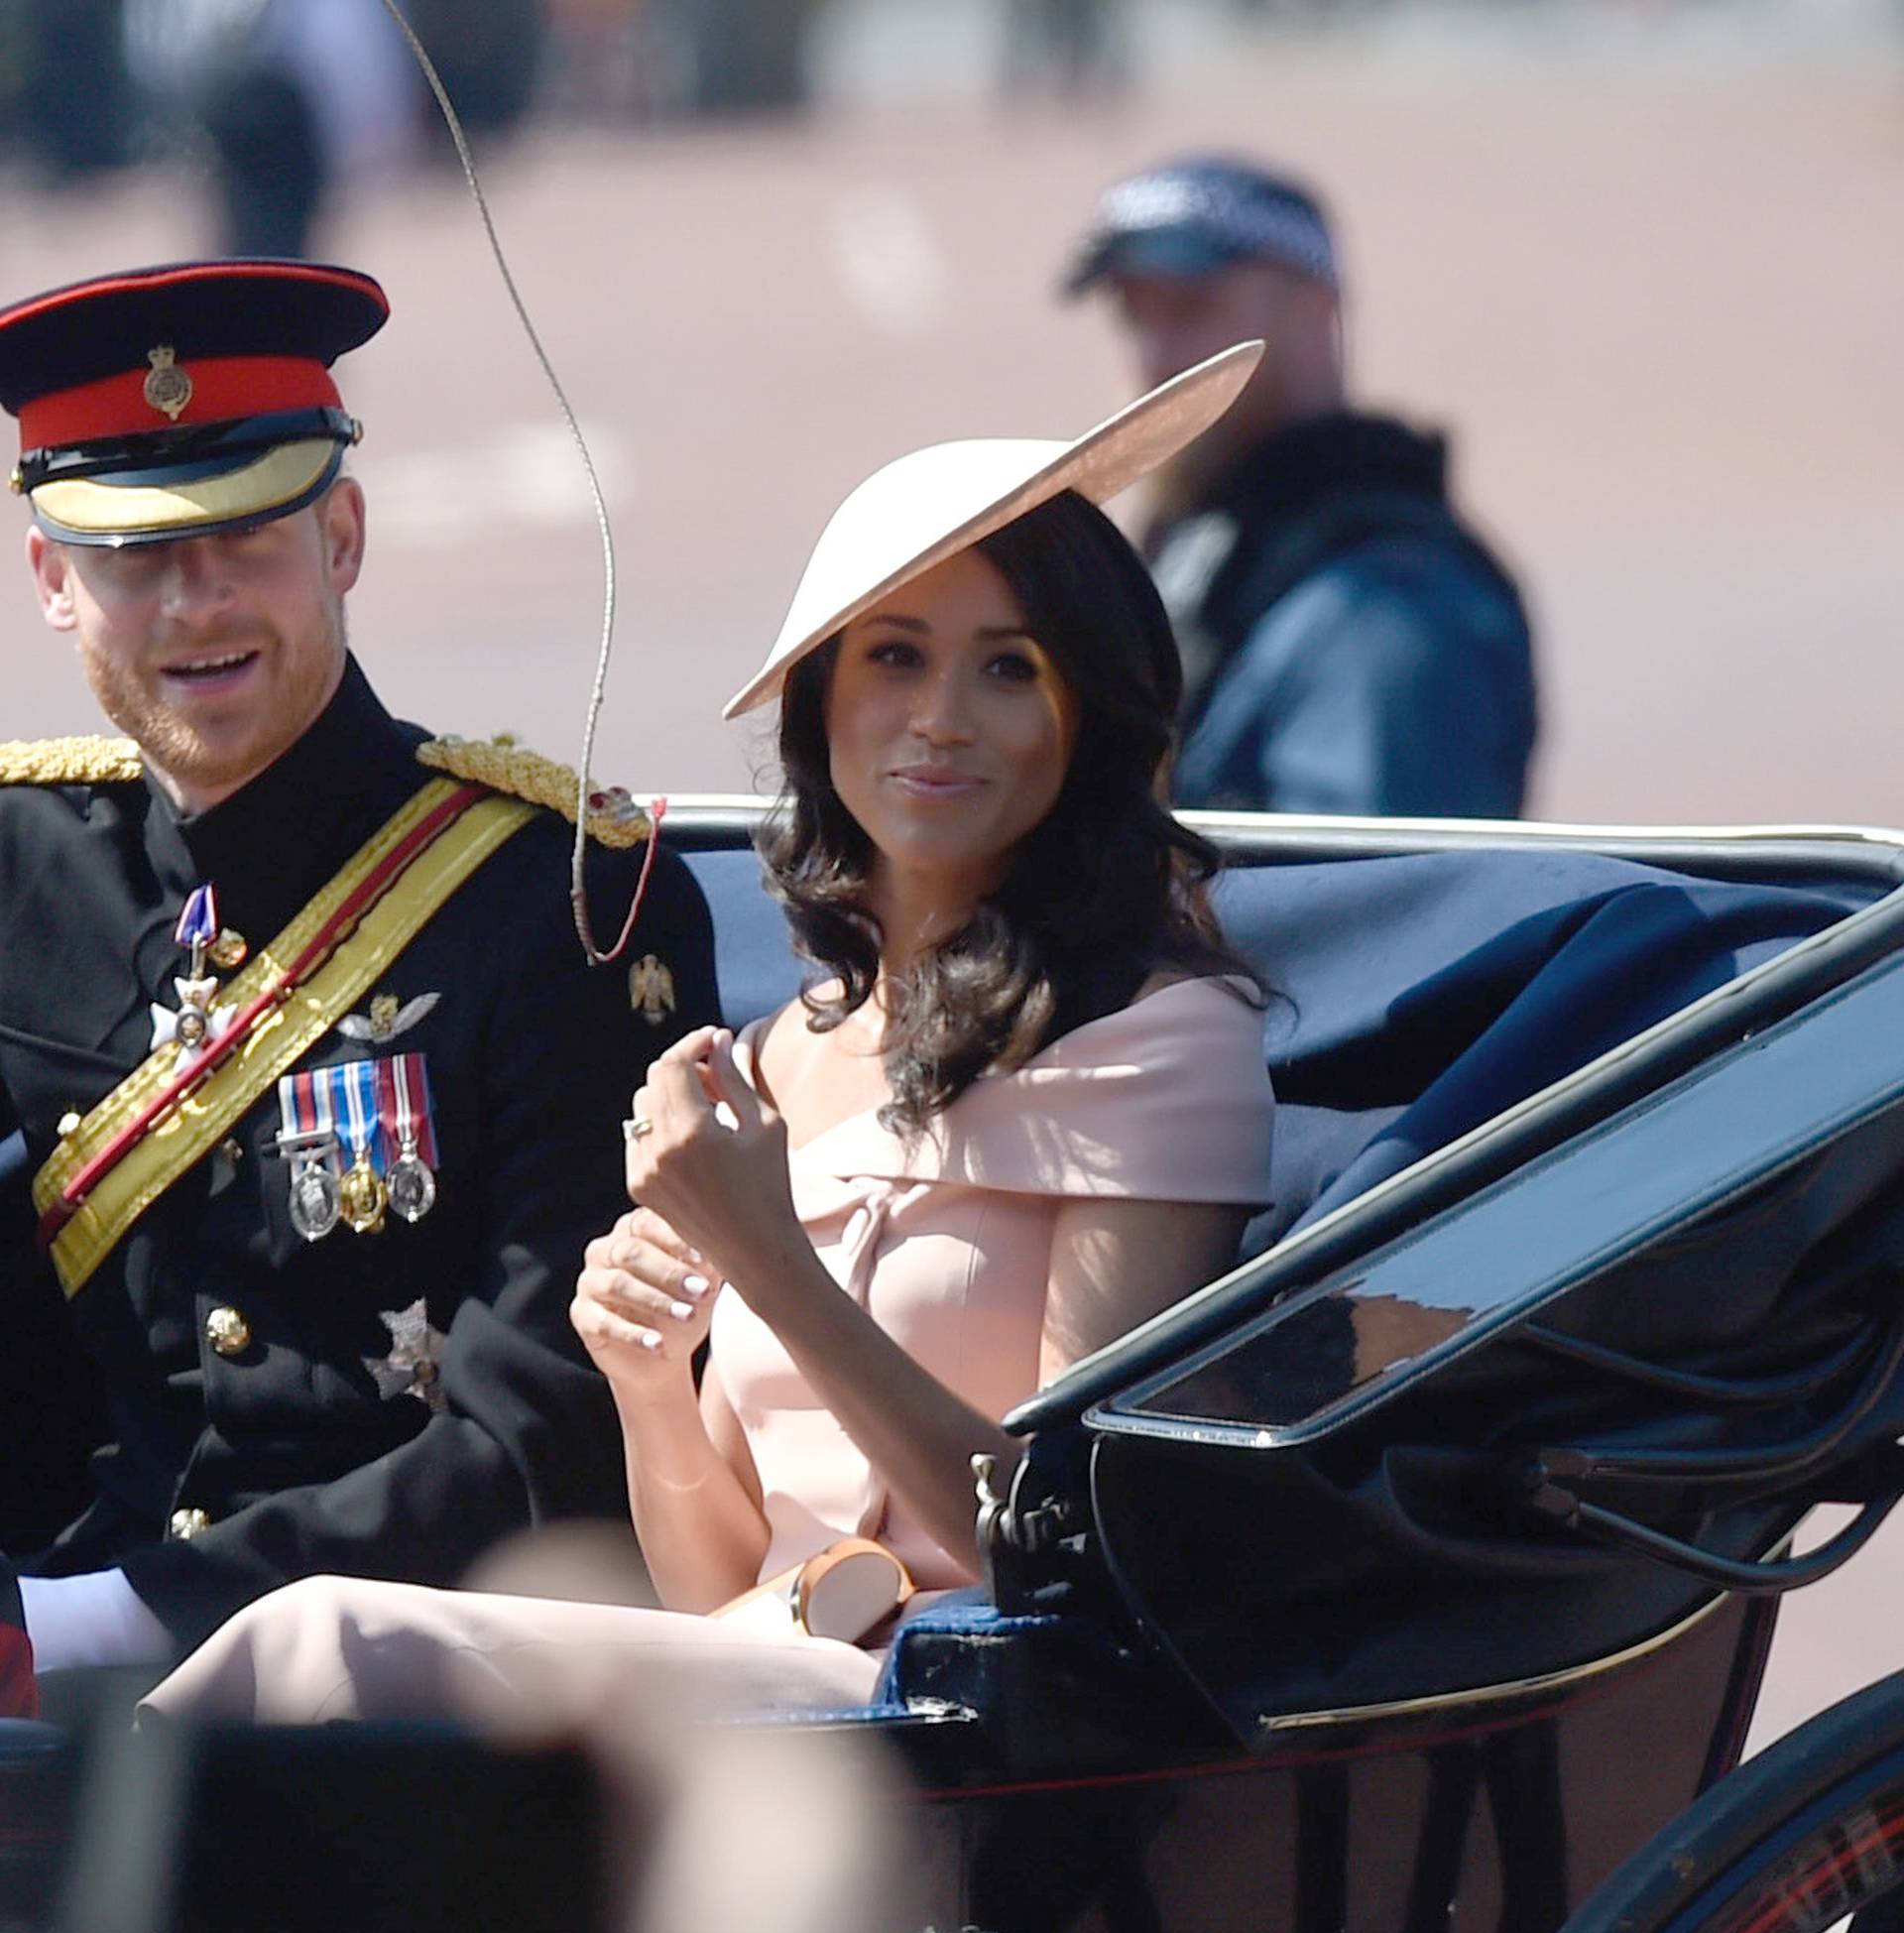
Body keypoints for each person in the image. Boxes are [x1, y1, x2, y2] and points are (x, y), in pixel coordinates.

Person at [139, 342, 1279, 1726]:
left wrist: (768, 1258)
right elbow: (717, 1581)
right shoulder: (780, 1059)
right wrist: (646, 1388)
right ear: (823, 704)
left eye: (1008, 669)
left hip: (977, 1714)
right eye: (895, 658)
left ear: (1086, 711)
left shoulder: (1164, 1037)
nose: (938, 718)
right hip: (773, 1695)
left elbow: (1058, 1545)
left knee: (319, 1647)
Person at [0, 258, 719, 1693]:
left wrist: (97, 1625)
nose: (196, 605)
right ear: (52, 584)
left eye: (247, 541)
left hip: (409, 1710)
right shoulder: (24, 863)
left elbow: (554, 1438)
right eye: (136, 558)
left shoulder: (568, 895)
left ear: (342, 536)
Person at [1061, 155, 1538, 821]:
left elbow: (1384, 906)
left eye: (1193, 309)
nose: (1153, 362)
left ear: (1316, 314)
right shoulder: (1225, 542)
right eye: (1133, 317)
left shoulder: (1386, 608)